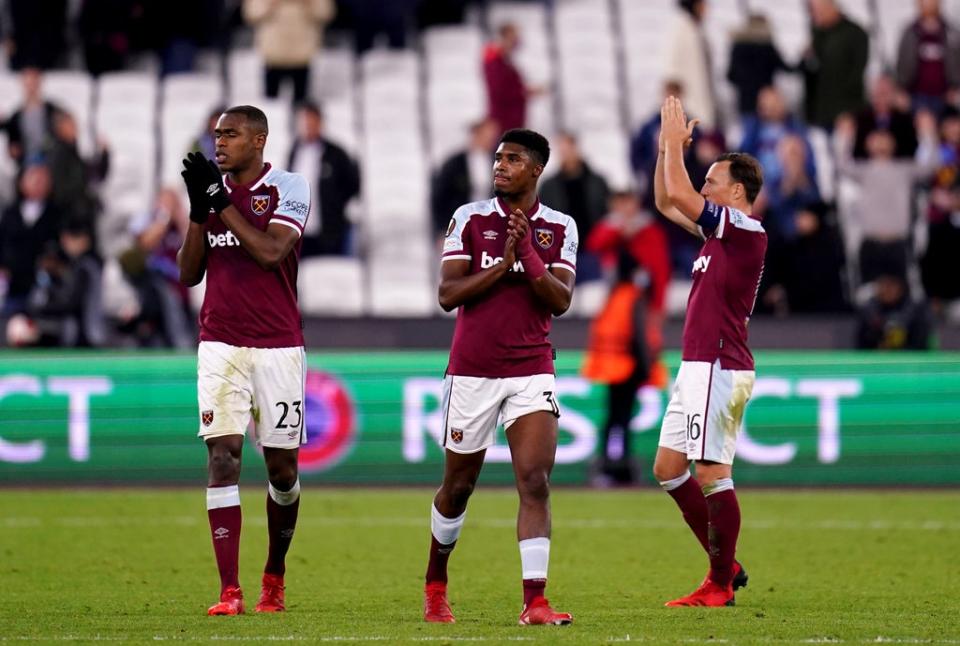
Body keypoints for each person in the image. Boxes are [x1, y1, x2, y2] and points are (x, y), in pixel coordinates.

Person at [423, 128, 577, 626]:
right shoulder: (469, 219)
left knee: (535, 481)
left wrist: (528, 253)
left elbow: (560, 299)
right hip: (473, 372)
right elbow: (449, 294)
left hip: (532, 369)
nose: (500, 165)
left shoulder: (559, 227)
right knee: (458, 487)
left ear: (536, 169)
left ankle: (535, 601)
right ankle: (435, 583)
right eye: (497, 158)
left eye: (512, 159)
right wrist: (505, 265)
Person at [176, 105, 312, 616]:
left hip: (278, 345)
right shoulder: (211, 194)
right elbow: (190, 274)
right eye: (216, 135)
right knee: (223, 456)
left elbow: (271, 252)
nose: (220, 143)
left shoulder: (290, 187)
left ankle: (273, 574)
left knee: (281, 470)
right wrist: (197, 211)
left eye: (230, 134)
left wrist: (220, 203)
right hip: (221, 342)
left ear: (259, 140)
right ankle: (229, 590)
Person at [651, 96, 767, 607]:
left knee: (711, 473)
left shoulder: (744, 230)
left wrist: (676, 147)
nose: (703, 188)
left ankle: (719, 583)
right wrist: (663, 149)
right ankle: (727, 563)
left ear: (736, 192)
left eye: (712, 182)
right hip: (698, 364)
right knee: (668, 468)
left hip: (720, 364)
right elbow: (665, 200)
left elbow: (679, 190)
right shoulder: (719, 236)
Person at [287, 101, 361, 256]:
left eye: (312, 121)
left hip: (329, 233)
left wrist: (335, 206)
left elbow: (352, 185)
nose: (308, 125)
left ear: (320, 122)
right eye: (304, 121)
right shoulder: (294, 151)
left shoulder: (336, 154)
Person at [243, 0, 336, 101]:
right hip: (273, 54)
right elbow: (251, 14)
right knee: (271, 104)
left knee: (301, 104)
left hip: (302, 54)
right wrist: (270, 5)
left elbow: (326, 14)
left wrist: (308, 4)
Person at [801, 0, 869, 130]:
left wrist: (848, 110)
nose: (816, 14)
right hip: (818, 113)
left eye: (819, 10)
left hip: (845, 113)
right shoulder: (817, 33)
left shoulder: (855, 33)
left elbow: (857, 74)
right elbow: (810, 71)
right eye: (813, 11)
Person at [431, 118, 499, 241]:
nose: (491, 140)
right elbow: (440, 199)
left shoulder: (498, 162)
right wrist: (441, 230)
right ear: (475, 134)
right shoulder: (455, 164)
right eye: (487, 135)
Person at [896, 0, 960, 114]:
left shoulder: (951, 31)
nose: (929, 3)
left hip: (947, 99)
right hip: (916, 98)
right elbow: (901, 66)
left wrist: (956, 89)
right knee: (924, 121)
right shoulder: (910, 32)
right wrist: (901, 91)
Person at [664, 0, 717, 129]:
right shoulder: (681, 30)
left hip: (701, 98)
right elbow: (672, 72)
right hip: (688, 102)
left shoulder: (696, 29)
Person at [727, 13, 791, 116]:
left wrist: (745, 85)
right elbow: (786, 68)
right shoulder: (768, 47)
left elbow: (730, 76)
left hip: (746, 104)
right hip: (767, 105)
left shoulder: (738, 46)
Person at [483, 23, 538, 137]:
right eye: (514, 37)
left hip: (513, 118)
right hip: (503, 119)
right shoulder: (494, 60)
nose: (517, 41)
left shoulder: (506, 60)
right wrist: (524, 92)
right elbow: (499, 90)